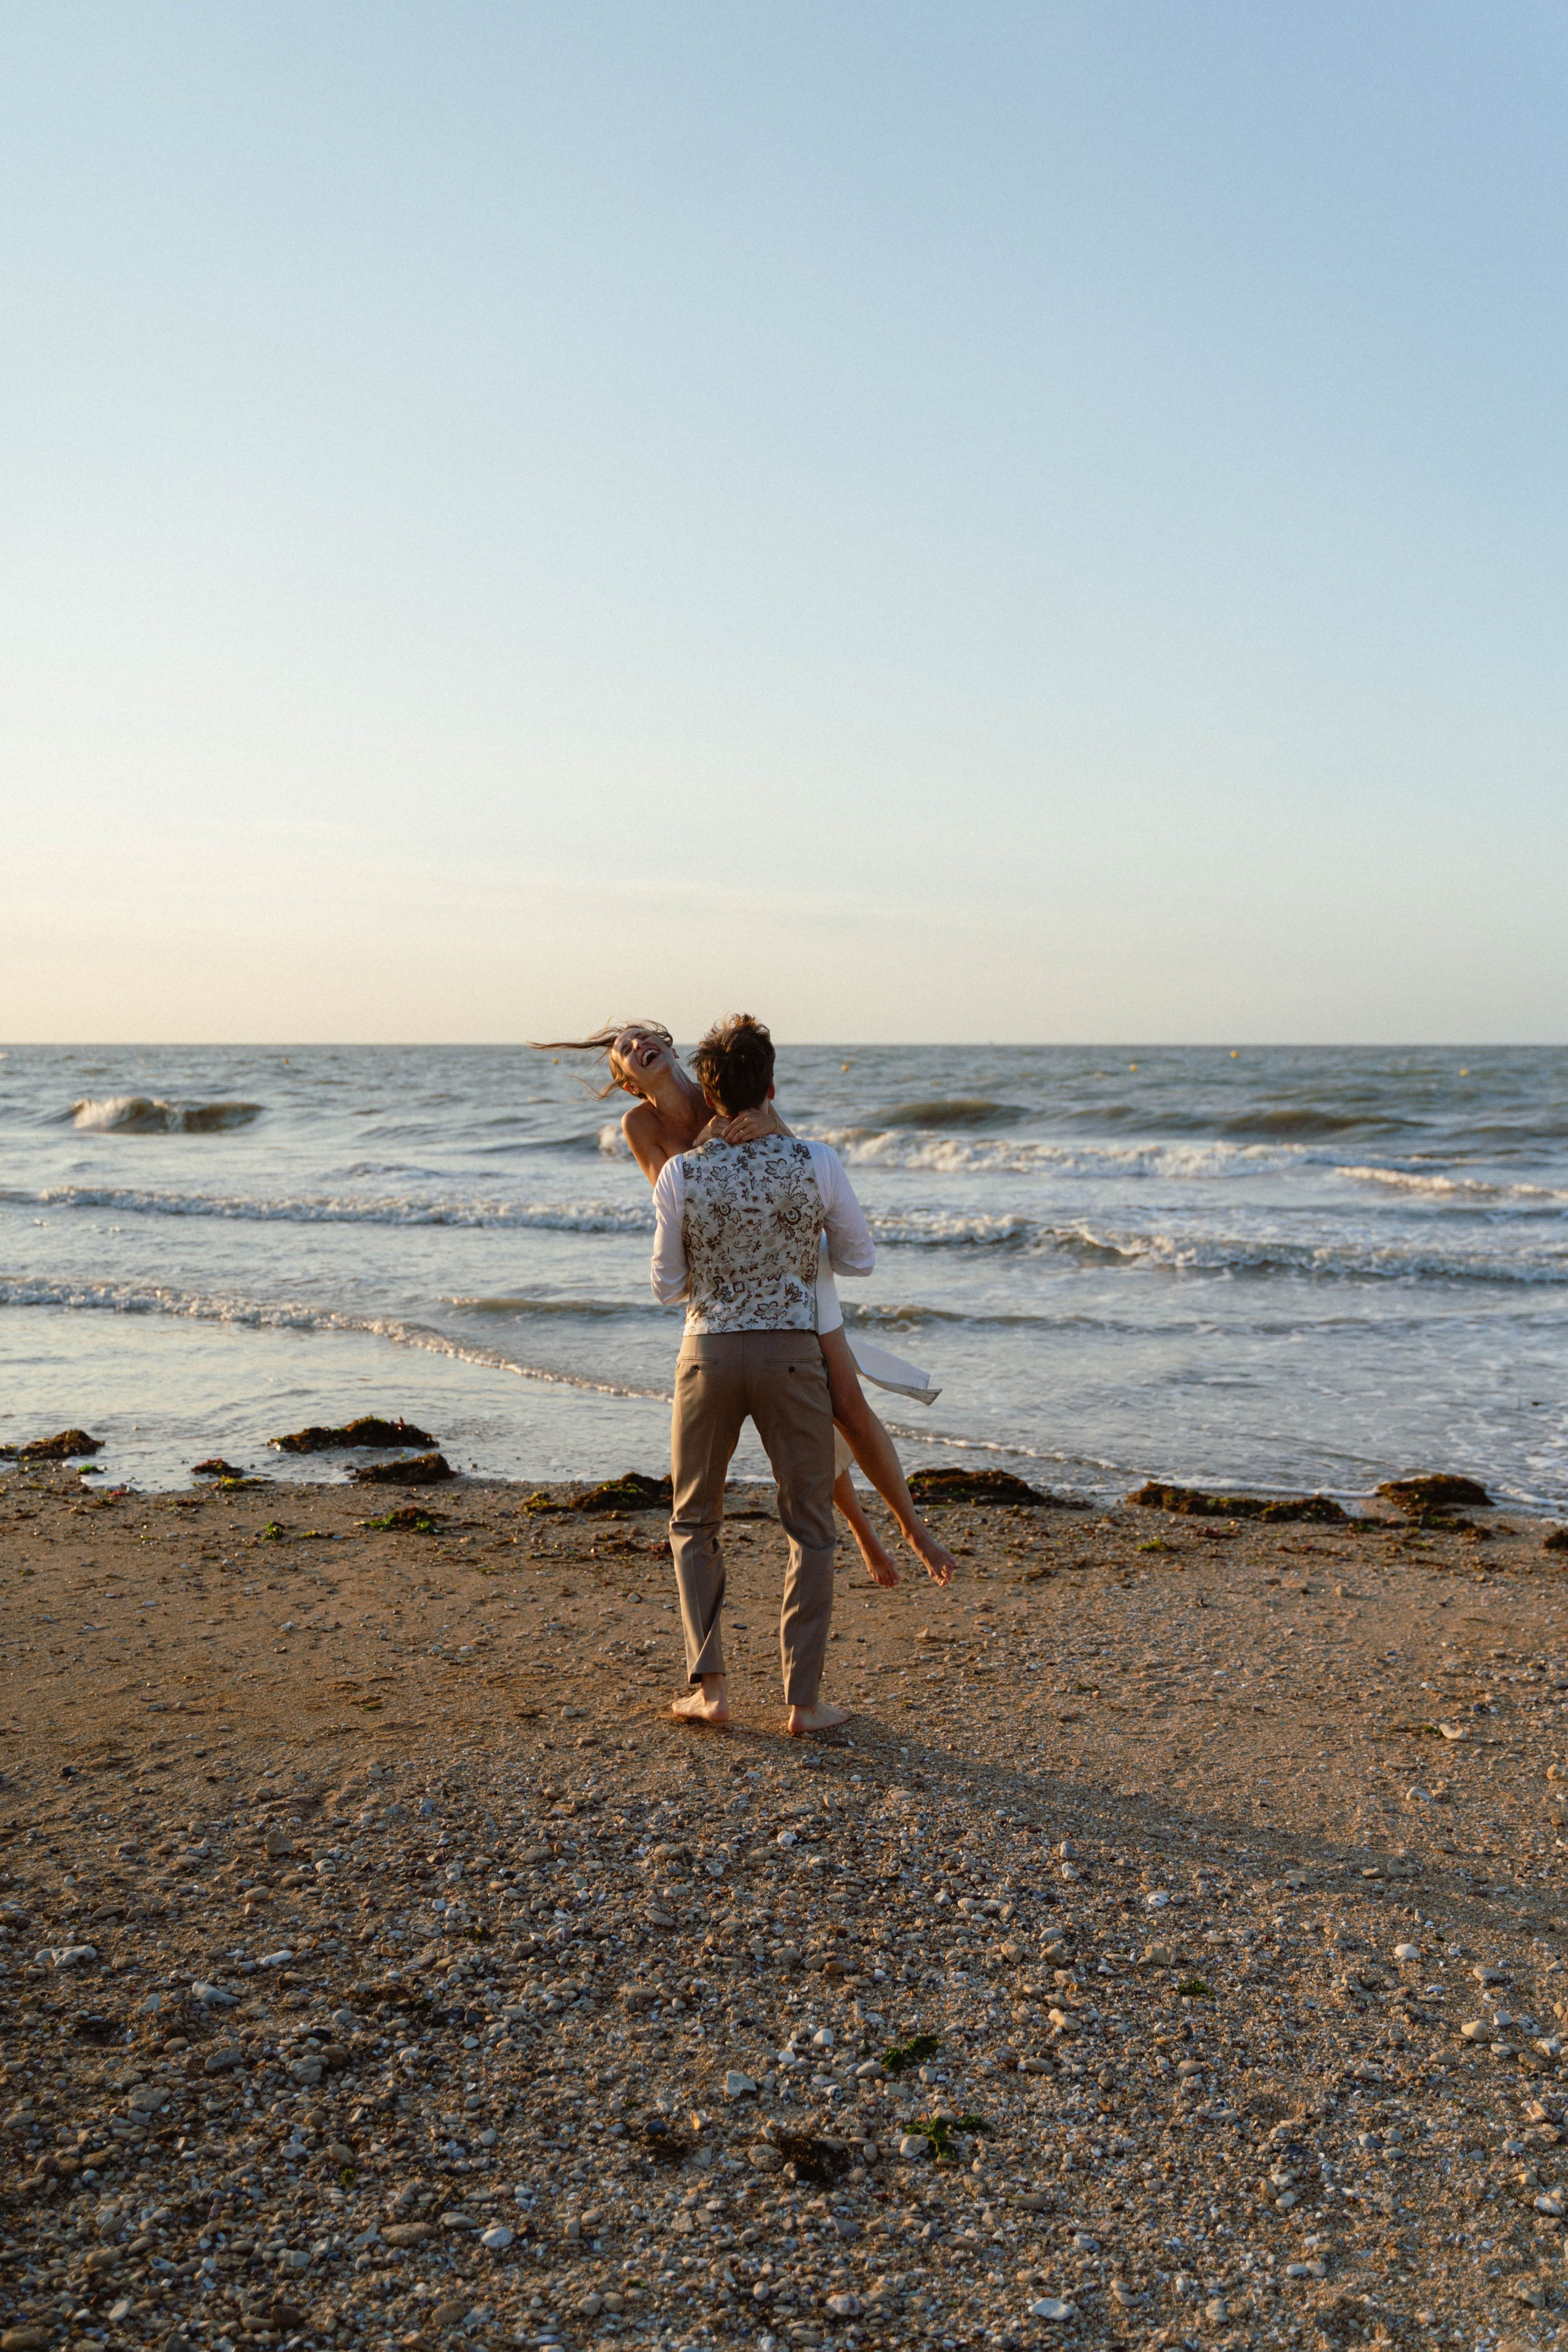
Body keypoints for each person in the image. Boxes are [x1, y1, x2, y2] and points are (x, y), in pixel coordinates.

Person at [533, 1018, 955, 1588]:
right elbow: (670, 1195)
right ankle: (862, 1531)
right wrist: (707, 1149)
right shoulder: (640, 1124)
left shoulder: (724, 1084)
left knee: (846, 1404)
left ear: (670, 1048)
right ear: (629, 1083)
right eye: (625, 1050)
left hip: (793, 1266)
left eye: (643, 1037)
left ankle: (913, 1529)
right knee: (801, 1417)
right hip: (722, 1279)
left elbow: (796, 1167)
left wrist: (773, 1123)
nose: (638, 1046)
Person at [645, 1012, 868, 1734]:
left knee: (694, 1520)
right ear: (771, 1088)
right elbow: (859, 1258)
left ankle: (711, 1691)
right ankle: (803, 1702)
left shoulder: (681, 1171)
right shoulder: (816, 1160)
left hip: (707, 1354)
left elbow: (665, 1285)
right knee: (810, 1524)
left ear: (708, 1098)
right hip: (792, 1356)